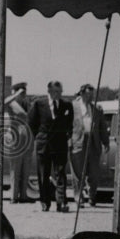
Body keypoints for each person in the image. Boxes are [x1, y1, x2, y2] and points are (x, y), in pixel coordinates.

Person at [27, 80, 74, 212]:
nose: (59, 94)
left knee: (60, 173)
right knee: (43, 174)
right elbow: (31, 122)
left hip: (60, 144)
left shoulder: (67, 105)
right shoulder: (39, 104)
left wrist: (67, 135)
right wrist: (39, 136)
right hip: (44, 144)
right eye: (56, 91)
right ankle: (44, 201)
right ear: (49, 91)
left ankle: (61, 202)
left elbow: (69, 124)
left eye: (60, 91)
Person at [70, 83, 110, 207]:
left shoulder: (97, 108)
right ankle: (78, 197)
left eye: (92, 94)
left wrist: (106, 142)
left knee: (94, 172)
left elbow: (102, 127)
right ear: (81, 93)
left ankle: (92, 196)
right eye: (88, 94)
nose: (91, 97)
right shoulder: (73, 107)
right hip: (77, 141)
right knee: (78, 172)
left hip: (93, 142)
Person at [4, 82, 35, 203]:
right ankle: (14, 196)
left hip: (27, 138)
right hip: (16, 138)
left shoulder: (27, 103)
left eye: (25, 91)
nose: (24, 94)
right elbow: (4, 103)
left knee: (25, 168)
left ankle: (23, 195)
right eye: (22, 91)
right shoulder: (11, 103)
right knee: (15, 168)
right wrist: (16, 95)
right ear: (16, 91)